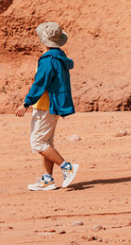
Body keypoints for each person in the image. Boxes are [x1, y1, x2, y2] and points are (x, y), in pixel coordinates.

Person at [15, 21, 79, 191]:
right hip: (53, 106)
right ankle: (47, 179)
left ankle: (67, 167)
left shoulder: (48, 59)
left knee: (37, 143)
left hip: (45, 106)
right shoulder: (58, 56)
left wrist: (26, 103)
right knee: (46, 142)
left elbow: (40, 83)